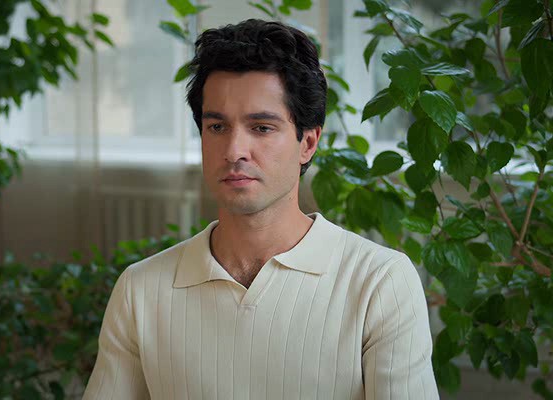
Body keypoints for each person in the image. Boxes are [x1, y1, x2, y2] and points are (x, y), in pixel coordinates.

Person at [82, 19, 438, 400]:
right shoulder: (140, 290)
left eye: (262, 128)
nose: (234, 150)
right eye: (217, 127)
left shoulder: (379, 284)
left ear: (308, 143)